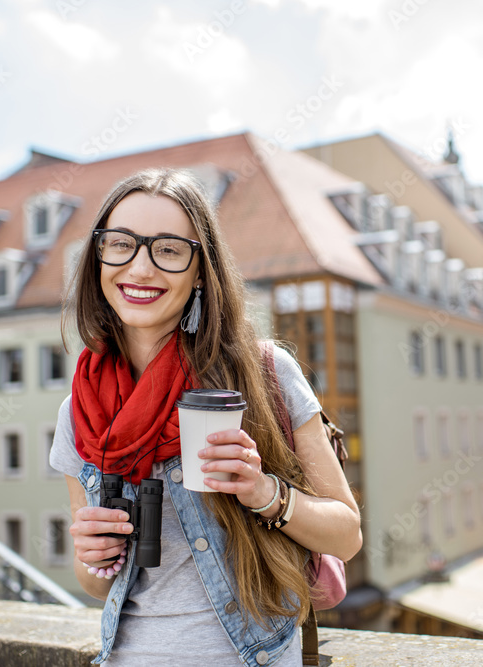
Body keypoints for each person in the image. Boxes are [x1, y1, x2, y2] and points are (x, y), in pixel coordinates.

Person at [49, 168, 362, 666]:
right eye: (121, 244)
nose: (141, 268)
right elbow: (93, 584)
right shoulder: (80, 410)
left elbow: (346, 536)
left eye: (169, 249)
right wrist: (94, 553)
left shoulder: (266, 375)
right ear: (98, 257)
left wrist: (263, 492)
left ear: (201, 269)